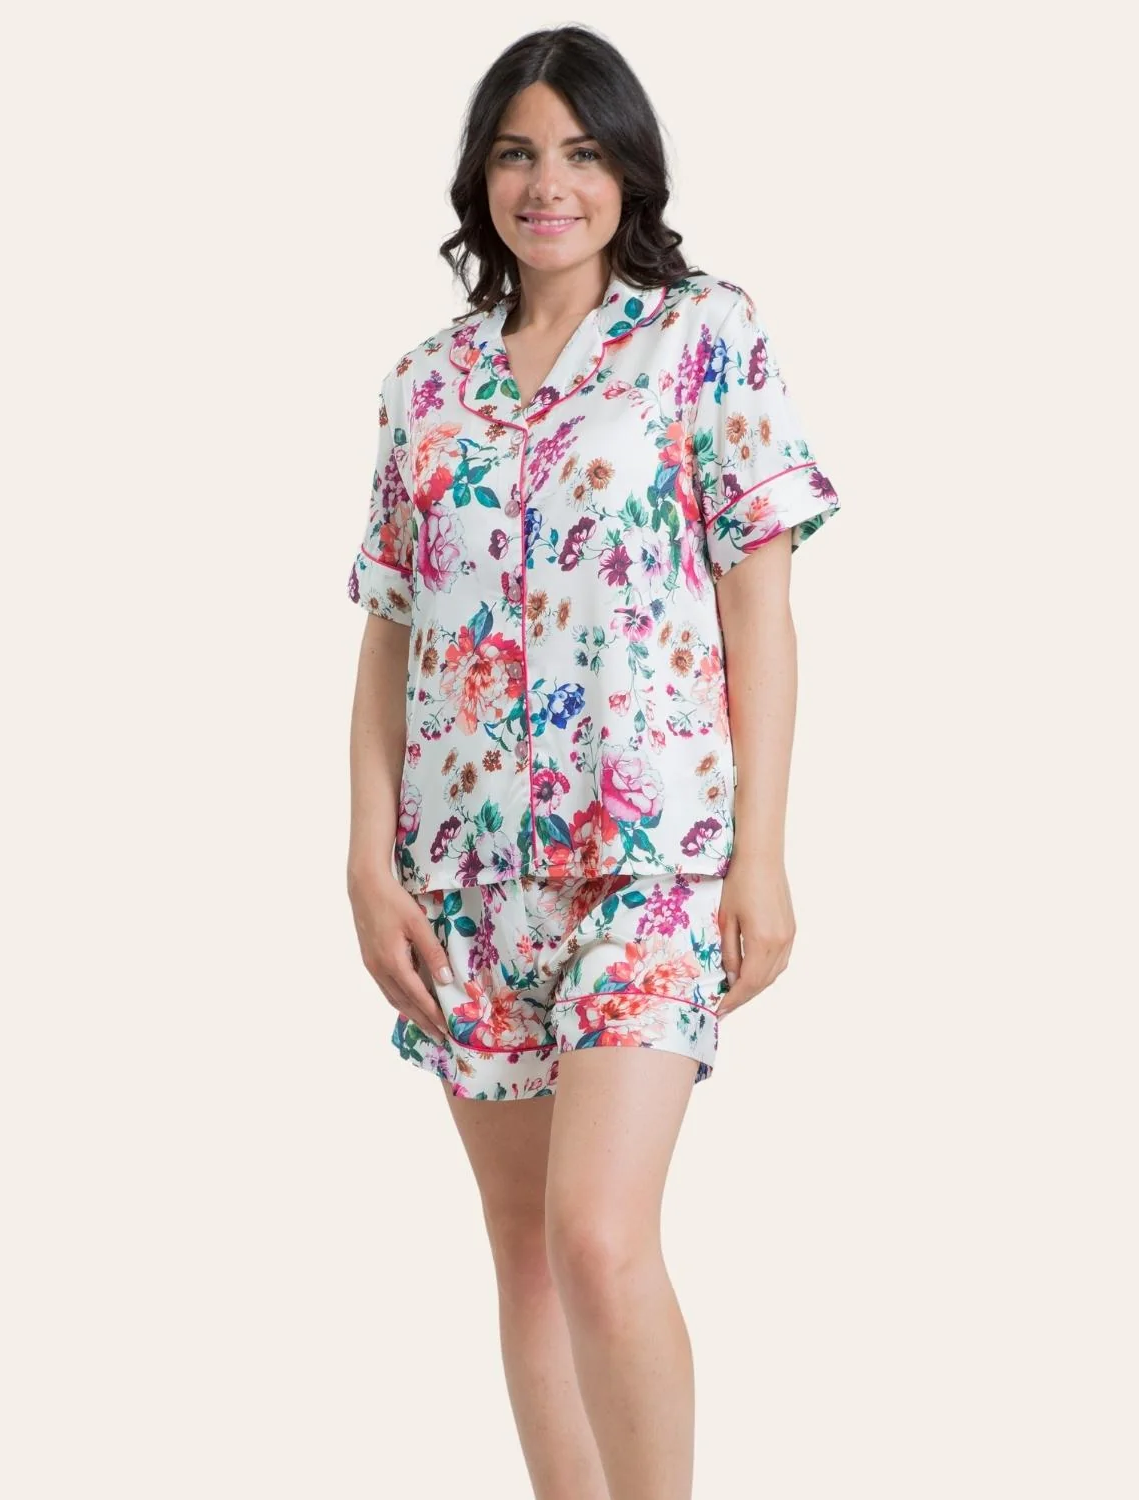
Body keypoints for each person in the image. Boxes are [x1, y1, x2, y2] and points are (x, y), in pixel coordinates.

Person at [345, 25, 841, 1499]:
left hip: (650, 860)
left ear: (629, 170)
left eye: (578, 151)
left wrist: (762, 857)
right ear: (479, 177)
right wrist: (367, 866)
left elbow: (761, 610)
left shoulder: (704, 335)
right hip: (465, 878)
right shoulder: (423, 385)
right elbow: (388, 636)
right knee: (525, 1251)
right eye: (516, 153)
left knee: (599, 1238)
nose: (546, 184)